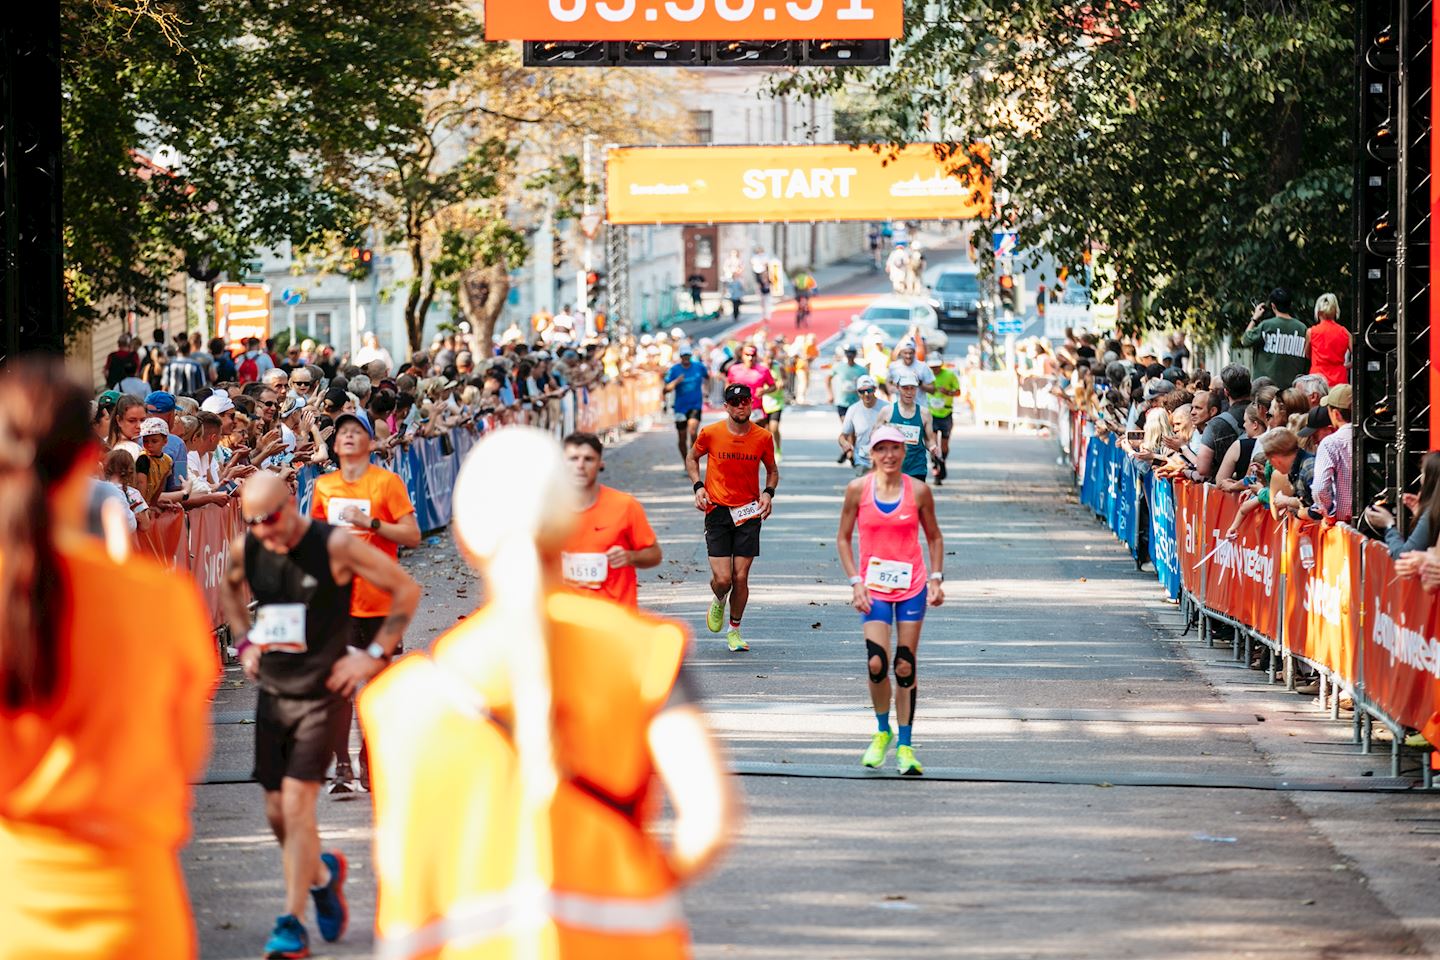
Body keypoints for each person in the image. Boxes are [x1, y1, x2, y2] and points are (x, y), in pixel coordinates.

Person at [358, 428, 736, 959]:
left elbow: (404, 871)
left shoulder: (400, 699)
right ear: (566, 526)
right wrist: (633, 885)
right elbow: (709, 821)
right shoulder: (646, 651)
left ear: (466, 536)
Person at [0, 359, 217, 959]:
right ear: (85, 459)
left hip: (13, 912)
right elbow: (184, 753)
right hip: (134, 910)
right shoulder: (158, 601)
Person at [222, 472, 420, 959]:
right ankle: (323, 875)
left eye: (269, 520)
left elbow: (405, 591)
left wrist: (371, 654)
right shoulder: (249, 546)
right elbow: (228, 589)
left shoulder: (332, 545)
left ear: (291, 505)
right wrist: (245, 640)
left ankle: (291, 924)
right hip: (275, 692)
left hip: (324, 693)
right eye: (253, 523)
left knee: (296, 805)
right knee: (277, 811)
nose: (263, 532)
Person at [308, 410, 421, 793]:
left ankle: (371, 759)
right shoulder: (323, 486)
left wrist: (370, 523)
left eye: (358, 432)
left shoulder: (386, 483)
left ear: (370, 442)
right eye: (343, 433)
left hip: (378, 602)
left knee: (375, 688)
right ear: (335, 444)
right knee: (339, 687)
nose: (350, 438)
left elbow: (412, 535)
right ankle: (342, 767)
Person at [836, 424, 945, 776]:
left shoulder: (919, 491)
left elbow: (934, 538)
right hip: (874, 588)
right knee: (877, 664)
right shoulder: (857, 490)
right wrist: (855, 582)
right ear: (871, 453)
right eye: (881, 449)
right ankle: (882, 733)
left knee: (904, 665)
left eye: (895, 449)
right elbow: (842, 538)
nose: (889, 456)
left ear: (903, 452)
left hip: (911, 585)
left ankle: (906, 747)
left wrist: (936, 579)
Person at [686, 383, 779, 653]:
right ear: (726, 406)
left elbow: (772, 470)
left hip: (748, 512)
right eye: (734, 402)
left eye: (744, 401)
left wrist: (768, 493)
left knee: (741, 577)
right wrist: (698, 486)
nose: (740, 405)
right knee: (724, 580)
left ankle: (734, 631)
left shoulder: (762, 437)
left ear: (751, 404)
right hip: (717, 510)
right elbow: (692, 459)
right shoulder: (711, 433)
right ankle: (718, 599)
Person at [560, 432, 662, 609]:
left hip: (615, 621)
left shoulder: (624, 505)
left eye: (588, 459)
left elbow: (654, 555)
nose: (580, 465)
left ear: (600, 464)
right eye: (573, 458)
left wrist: (630, 556)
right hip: (566, 623)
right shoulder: (546, 511)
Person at [876, 374, 940, 484]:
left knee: (914, 500)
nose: (909, 392)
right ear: (898, 388)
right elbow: (875, 436)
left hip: (917, 467)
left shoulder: (924, 413)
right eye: (905, 388)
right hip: (893, 466)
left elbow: (929, 439)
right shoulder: (887, 411)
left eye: (912, 388)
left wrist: (933, 447)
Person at [1240, 288, 1308, 386]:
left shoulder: (1266, 326)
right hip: (1292, 391)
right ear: (1290, 304)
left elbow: (1245, 340)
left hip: (1266, 389)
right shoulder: (1302, 328)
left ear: (1273, 305)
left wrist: (1254, 319)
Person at [1311, 385, 1353, 523]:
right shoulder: (1377, 436)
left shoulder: (1330, 443)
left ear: (1335, 414)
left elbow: (1319, 488)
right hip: (1380, 520)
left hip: (1344, 526)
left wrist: (1327, 511)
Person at [664, 345, 710, 466]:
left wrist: (706, 391)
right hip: (680, 407)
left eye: (687, 355)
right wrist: (676, 382)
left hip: (695, 404)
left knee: (693, 431)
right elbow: (665, 390)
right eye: (683, 356)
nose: (685, 358)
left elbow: (707, 377)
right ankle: (686, 462)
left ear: (690, 356)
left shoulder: (699, 367)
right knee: (682, 437)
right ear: (680, 356)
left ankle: (693, 459)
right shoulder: (674, 370)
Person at [839, 375, 887, 477]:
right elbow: (843, 436)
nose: (866, 394)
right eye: (862, 391)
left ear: (874, 389)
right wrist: (846, 445)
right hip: (863, 461)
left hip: (884, 460)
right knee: (864, 491)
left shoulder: (887, 408)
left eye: (869, 390)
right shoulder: (853, 409)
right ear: (858, 392)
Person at [926, 354, 962, 484]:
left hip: (946, 413)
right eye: (932, 367)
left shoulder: (949, 375)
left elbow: (958, 392)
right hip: (932, 414)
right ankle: (936, 469)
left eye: (937, 366)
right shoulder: (927, 376)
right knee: (933, 444)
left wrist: (948, 392)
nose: (934, 369)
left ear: (941, 364)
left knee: (944, 445)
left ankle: (942, 461)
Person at [1306, 293, 1351, 388]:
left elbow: (1307, 354)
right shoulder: (1345, 332)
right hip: (1339, 380)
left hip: (1317, 380)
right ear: (1335, 312)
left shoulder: (1311, 332)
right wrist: (1345, 366)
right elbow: (1358, 357)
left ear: (1318, 312)